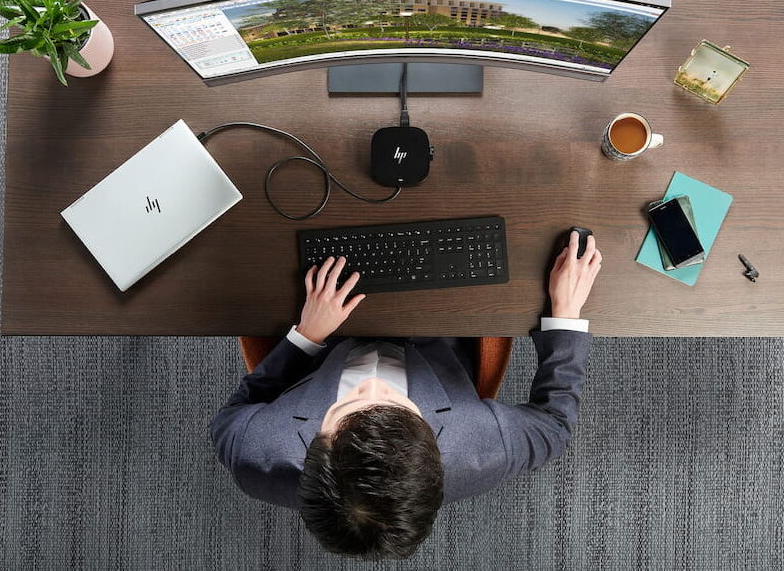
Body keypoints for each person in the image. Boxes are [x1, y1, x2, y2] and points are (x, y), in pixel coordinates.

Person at [211, 230, 602, 560]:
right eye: (396, 404)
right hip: (438, 334)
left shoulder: (256, 456)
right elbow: (554, 426)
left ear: (313, 445)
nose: (374, 386)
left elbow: (237, 409)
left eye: (349, 403)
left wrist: (307, 336)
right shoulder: (483, 448)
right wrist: (565, 314)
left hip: (322, 341)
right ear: (435, 444)